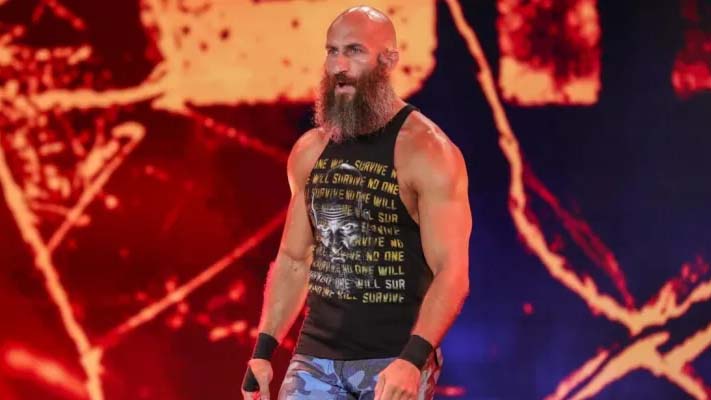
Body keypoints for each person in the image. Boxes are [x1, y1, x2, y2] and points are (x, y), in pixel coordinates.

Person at [242, 5, 471, 400]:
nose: (339, 66)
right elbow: (294, 259)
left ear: (389, 60)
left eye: (355, 51)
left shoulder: (428, 151)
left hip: (394, 359)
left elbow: (452, 272)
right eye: (332, 51)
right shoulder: (310, 151)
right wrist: (264, 351)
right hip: (315, 358)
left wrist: (413, 359)